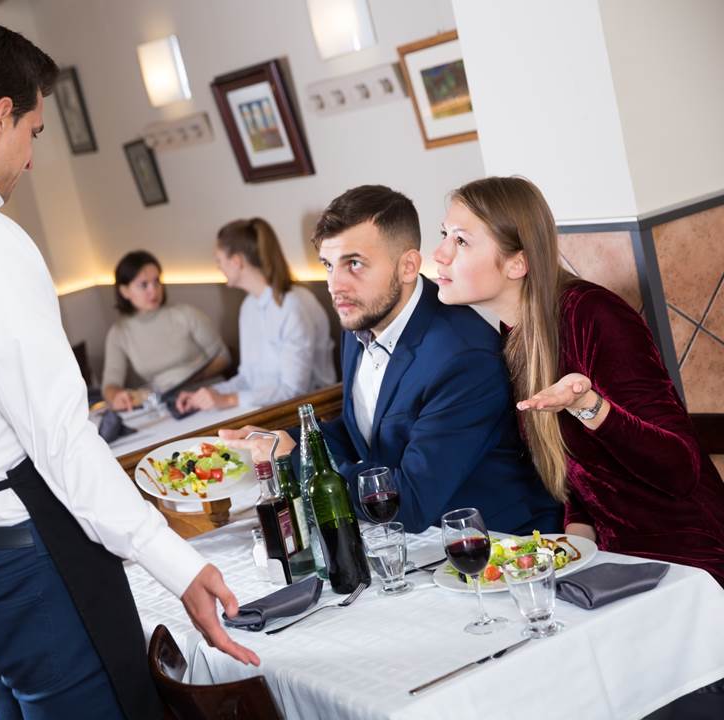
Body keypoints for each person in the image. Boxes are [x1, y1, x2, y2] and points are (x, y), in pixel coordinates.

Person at [0, 19, 257, 720]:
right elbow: (62, 443)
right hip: (24, 561)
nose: (32, 158)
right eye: (34, 131)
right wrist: (181, 567)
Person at [433, 175, 724, 586]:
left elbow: (680, 468)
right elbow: (580, 472)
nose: (439, 253)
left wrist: (589, 406)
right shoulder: (516, 334)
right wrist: (574, 548)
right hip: (614, 558)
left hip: (687, 563)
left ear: (518, 262)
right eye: (444, 234)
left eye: (460, 241)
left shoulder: (593, 316)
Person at [222, 185, 560, 534]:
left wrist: (297, 458)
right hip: (417, 543)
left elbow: (410, 502)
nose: (335, 286)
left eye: (354, 264)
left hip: (497, 546)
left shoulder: (463, 357)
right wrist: (282, 439)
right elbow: (367, 434)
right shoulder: (361, 320)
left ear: (408, 266)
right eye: (328, 265)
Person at [176, 217, 336, 413]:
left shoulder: (293, 306)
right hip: (263, 408)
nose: (218, 267)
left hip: (310, 413)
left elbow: (293, 390)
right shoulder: (249, 306)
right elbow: (247, 378)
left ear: (236, 262)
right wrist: (205, 395)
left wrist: (228, 400)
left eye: (219, 260)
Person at [102, 250, 231, 411]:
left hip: (210, 394)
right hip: (167, 404)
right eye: (144, 285)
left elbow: (223, 356)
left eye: (157, 282)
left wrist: (193, 380)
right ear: (124, 291)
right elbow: (110, 384)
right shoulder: (119, 333)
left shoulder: (186, 314)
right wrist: (117, 397)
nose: (154, 290)